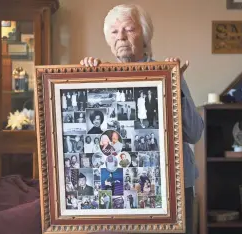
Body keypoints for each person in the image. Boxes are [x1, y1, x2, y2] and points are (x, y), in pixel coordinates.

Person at [80, 4, 204, 234]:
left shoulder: (169, 73)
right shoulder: (99, 74)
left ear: (145, 36)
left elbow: (194, 133)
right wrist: (85, 76)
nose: (122, 37)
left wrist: (175, 84)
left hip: (171, 188)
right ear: (109, 40)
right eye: (115, 32)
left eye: (129, 29)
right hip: (119, 182)